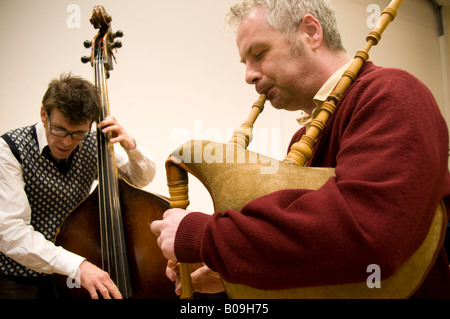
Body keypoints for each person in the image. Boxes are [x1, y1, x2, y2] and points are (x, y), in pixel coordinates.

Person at [151, 0, 450, 298]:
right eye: (246, 63)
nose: (249, 76)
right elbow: (319, 257)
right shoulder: (301, 138)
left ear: (311, 32)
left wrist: (204, 237)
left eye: (259, 53)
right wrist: (228, 270)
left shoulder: (391, 94)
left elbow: (369, 235)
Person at [0, 73, 157, 299]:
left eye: (77, 134)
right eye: (59, 130)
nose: (67, 142)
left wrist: (130, 145)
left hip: (67, 278)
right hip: (19, 280)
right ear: (44, 114)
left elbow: (139, 178)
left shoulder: (92, 144)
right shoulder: (9, 150)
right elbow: (11, 232)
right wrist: (78, 266)